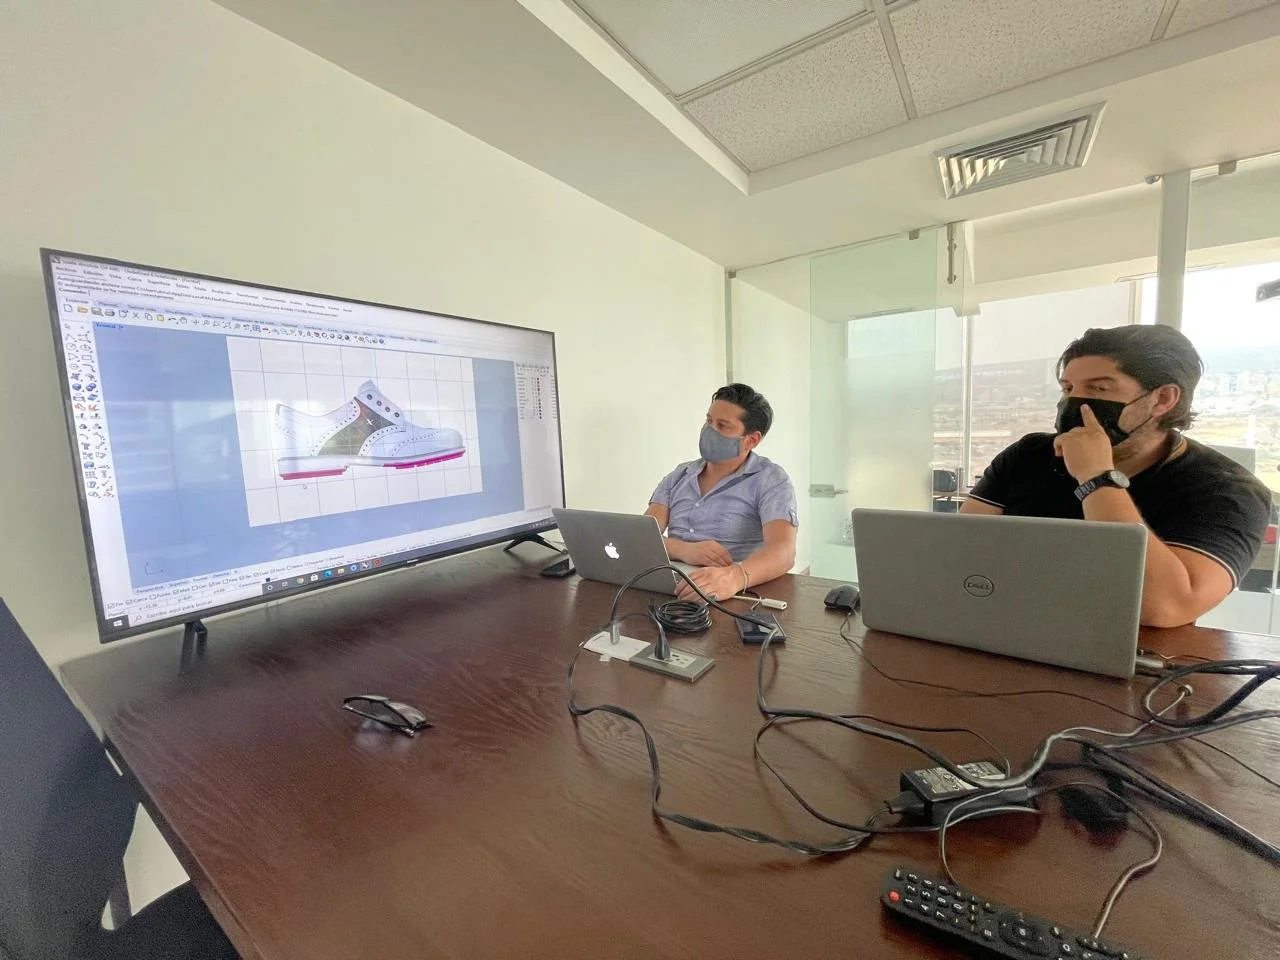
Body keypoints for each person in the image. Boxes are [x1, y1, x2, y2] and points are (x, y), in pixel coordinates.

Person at [962, 325, 1272, 628]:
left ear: (1163, 399)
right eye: (1068, 389)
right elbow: (959, 548)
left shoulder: (1227, 490)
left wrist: (1096, 477)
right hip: (1007, 622)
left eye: (1098, 388)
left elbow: (1165, 607)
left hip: (1131, 652)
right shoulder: (1030, 455)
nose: (1074, 402)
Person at [645, 383, 798, 602]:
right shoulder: (680, 474)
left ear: (751, 440)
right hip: (669, 588)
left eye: (722, 425)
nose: (710, 430)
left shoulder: (771, 480)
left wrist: (734, 578)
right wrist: (685, 550)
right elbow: (644, 537)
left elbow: (783, 551)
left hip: (731, 595)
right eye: (709, 421)